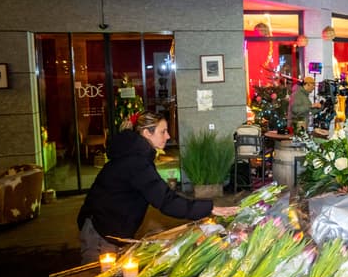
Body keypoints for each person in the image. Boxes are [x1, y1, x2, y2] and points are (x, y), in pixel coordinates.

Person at [76, 112, 237, 263]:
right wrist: (208, 208)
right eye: (163, 131)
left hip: (106, 228)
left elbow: (162, 195)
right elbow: (166, 201)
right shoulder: (136, 161)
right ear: (147, 133)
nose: (168, 136)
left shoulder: (136, 155)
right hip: (101, 232)